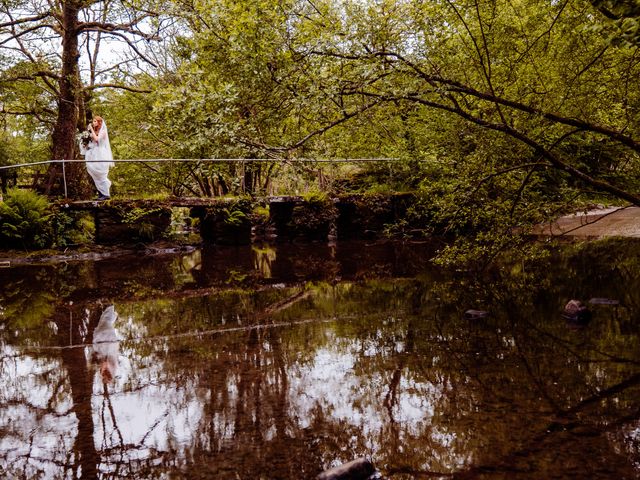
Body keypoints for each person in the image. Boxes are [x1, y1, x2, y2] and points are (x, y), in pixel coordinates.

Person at [80, 116, 114, 200]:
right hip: (92, 154)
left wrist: (91, 129)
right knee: (94, 174)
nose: (93, 122)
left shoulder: (103, 132)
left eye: (95, 121)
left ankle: (106, 194)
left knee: (101, 174)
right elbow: (90, 142)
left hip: (100, 154)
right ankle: (101, 193)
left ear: (99, 123)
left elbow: (97, 139)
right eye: (93, 121)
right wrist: (85, 144)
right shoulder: (92, 131)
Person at [91, 305, 119, 384]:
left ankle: (109, 308)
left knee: (104, 322)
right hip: (107, 343)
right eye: (106, 378)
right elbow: (105, 362)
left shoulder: (103, 371)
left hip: (103, 343)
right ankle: (109, 307)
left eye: (104, 378)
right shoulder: (112, 367)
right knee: (105, 323)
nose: (104, 377)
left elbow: (102, 361)